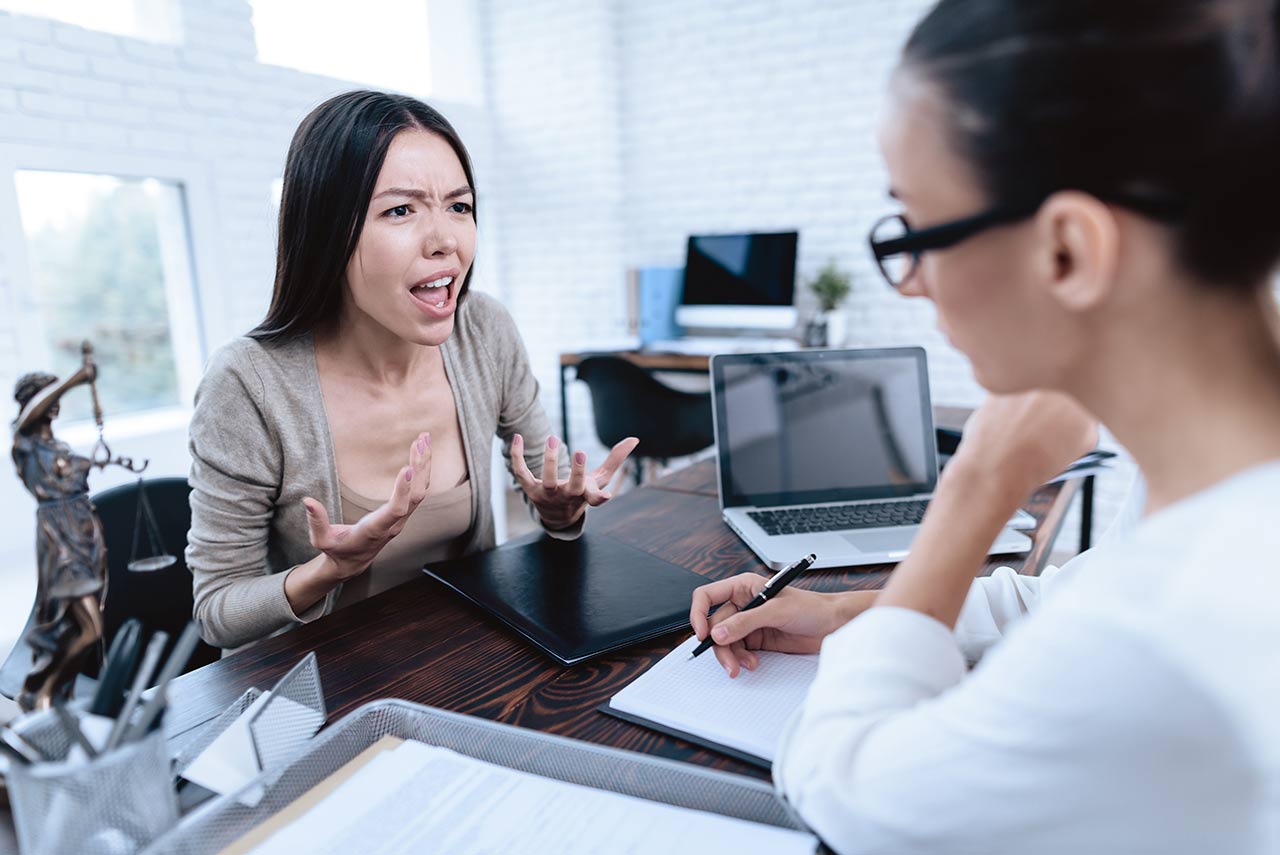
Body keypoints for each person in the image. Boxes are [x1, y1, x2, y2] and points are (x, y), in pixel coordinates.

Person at [690, 1, 1280, 851]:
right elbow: (1066, 599)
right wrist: (854, 612)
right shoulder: (1211, 489)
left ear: (1067, 251)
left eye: (918, 230)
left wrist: (974, 488)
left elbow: (844, 786)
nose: (912, 282)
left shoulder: (1172, 633)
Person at [188, 91, 637, 651]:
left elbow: (549, 491)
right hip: (324, 690)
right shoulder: (248, 383)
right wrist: (328, 571)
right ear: (329, 231)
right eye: (401, 210)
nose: (446, 240)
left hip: (469, 668)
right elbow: (216, 612)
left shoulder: (485, 331)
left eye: (460, 206)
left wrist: (559, 511)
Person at [10, 355, 106, 711]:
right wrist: (75, 378)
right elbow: (31, 415)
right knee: (88, 627)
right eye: (44, 396)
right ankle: (42, 694)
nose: (53, 403)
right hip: (59, 538)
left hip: (85, 534)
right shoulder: (24, 443)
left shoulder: (59, 448)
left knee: (76, 626)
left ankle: (55, 694)